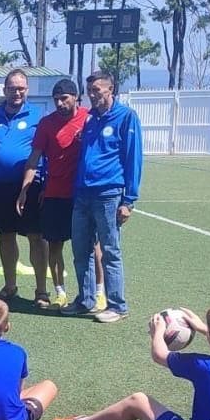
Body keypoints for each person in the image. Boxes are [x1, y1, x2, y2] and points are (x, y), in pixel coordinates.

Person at [52, 304, 210, 420]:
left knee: (138, 401)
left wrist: (158, 331)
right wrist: (204, 329)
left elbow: (160, 355)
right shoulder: (208, 366)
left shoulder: (206, 368)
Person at [16, 78, 105, 310]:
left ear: (76, 97)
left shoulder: (90, 119)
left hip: (82, 194)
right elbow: (33, 159)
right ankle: (60, 293)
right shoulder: (46, 124)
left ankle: (99, 293)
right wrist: (25, 189)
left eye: (64, 98)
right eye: (56, 99)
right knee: (54, 245)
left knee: (92, 245)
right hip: (55, 194)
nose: (60, 103)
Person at [65, 71, 143, 324]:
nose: (94, 94)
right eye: (91, 90)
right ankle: (85, 300)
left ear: (112, 89)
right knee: (80, 250)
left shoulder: (126, 117)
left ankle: (117, 305)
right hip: (83, 193)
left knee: (110, 251)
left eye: (98, 89)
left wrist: (128, 200)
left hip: (108, 194)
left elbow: (133, 159)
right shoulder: (89, 119)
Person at [0, 69, 49, 304]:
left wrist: (45, 183)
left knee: (36, 237)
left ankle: (41, 291)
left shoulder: (39, 117)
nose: (16, 92)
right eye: (12, 88)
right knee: (6, 237)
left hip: (30, 187)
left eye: (21, 88)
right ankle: (10, 285)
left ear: (27, 90)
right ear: (4, 90)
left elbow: (47, 153)